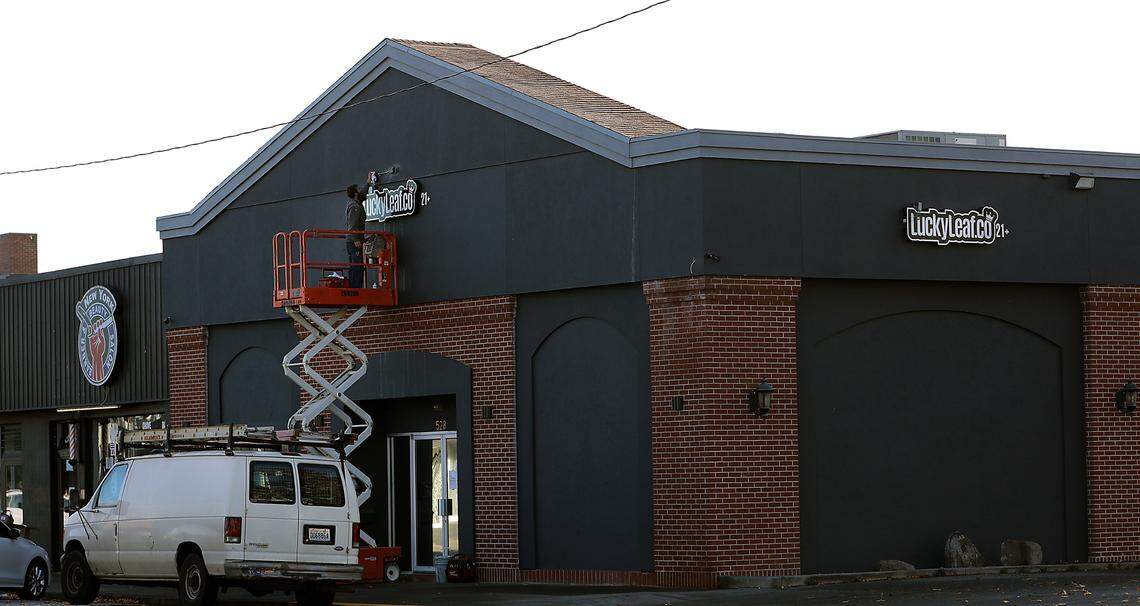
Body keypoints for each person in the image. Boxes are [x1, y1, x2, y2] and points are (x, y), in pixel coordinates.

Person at [345, 184, 366, 288]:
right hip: (354, 241)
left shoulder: (357, 203)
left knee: (355, 265)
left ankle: (355, 287)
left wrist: (368, 183)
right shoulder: (354, 206)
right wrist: (355, 239)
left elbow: (364, 193)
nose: (361, 190)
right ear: (355, 193)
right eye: (359, 189)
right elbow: (352, 225)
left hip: (353, 240)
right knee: (357, 266)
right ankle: (356, 288)